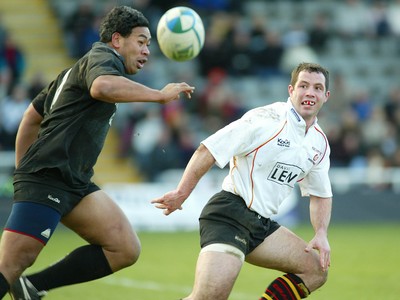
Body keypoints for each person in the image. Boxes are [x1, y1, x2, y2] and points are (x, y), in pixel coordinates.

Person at [0, 6, 194, 300]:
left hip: (73, 182)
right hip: (47, 177)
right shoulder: (102, 58)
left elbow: (31, 116)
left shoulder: (76, 70)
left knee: (124, 247)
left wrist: (20, 171)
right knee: (10, 265)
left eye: (148, 45)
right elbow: (102, 87)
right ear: (117, 40)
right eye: (141, 42)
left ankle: (32, 286)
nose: (146, 51)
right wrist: (159, 95)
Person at [152, 62, 332, 299]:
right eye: (304, 86)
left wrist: (321, 233)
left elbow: (320, 193)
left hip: (262, 226)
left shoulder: (319, 142)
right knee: (210, 296)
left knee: (316, 270)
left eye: (317, 88)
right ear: (291, 91)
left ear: (326, 96)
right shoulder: (266, 119)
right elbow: (208, 149)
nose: (310, 92)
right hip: (230, 216)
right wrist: (181, 193)